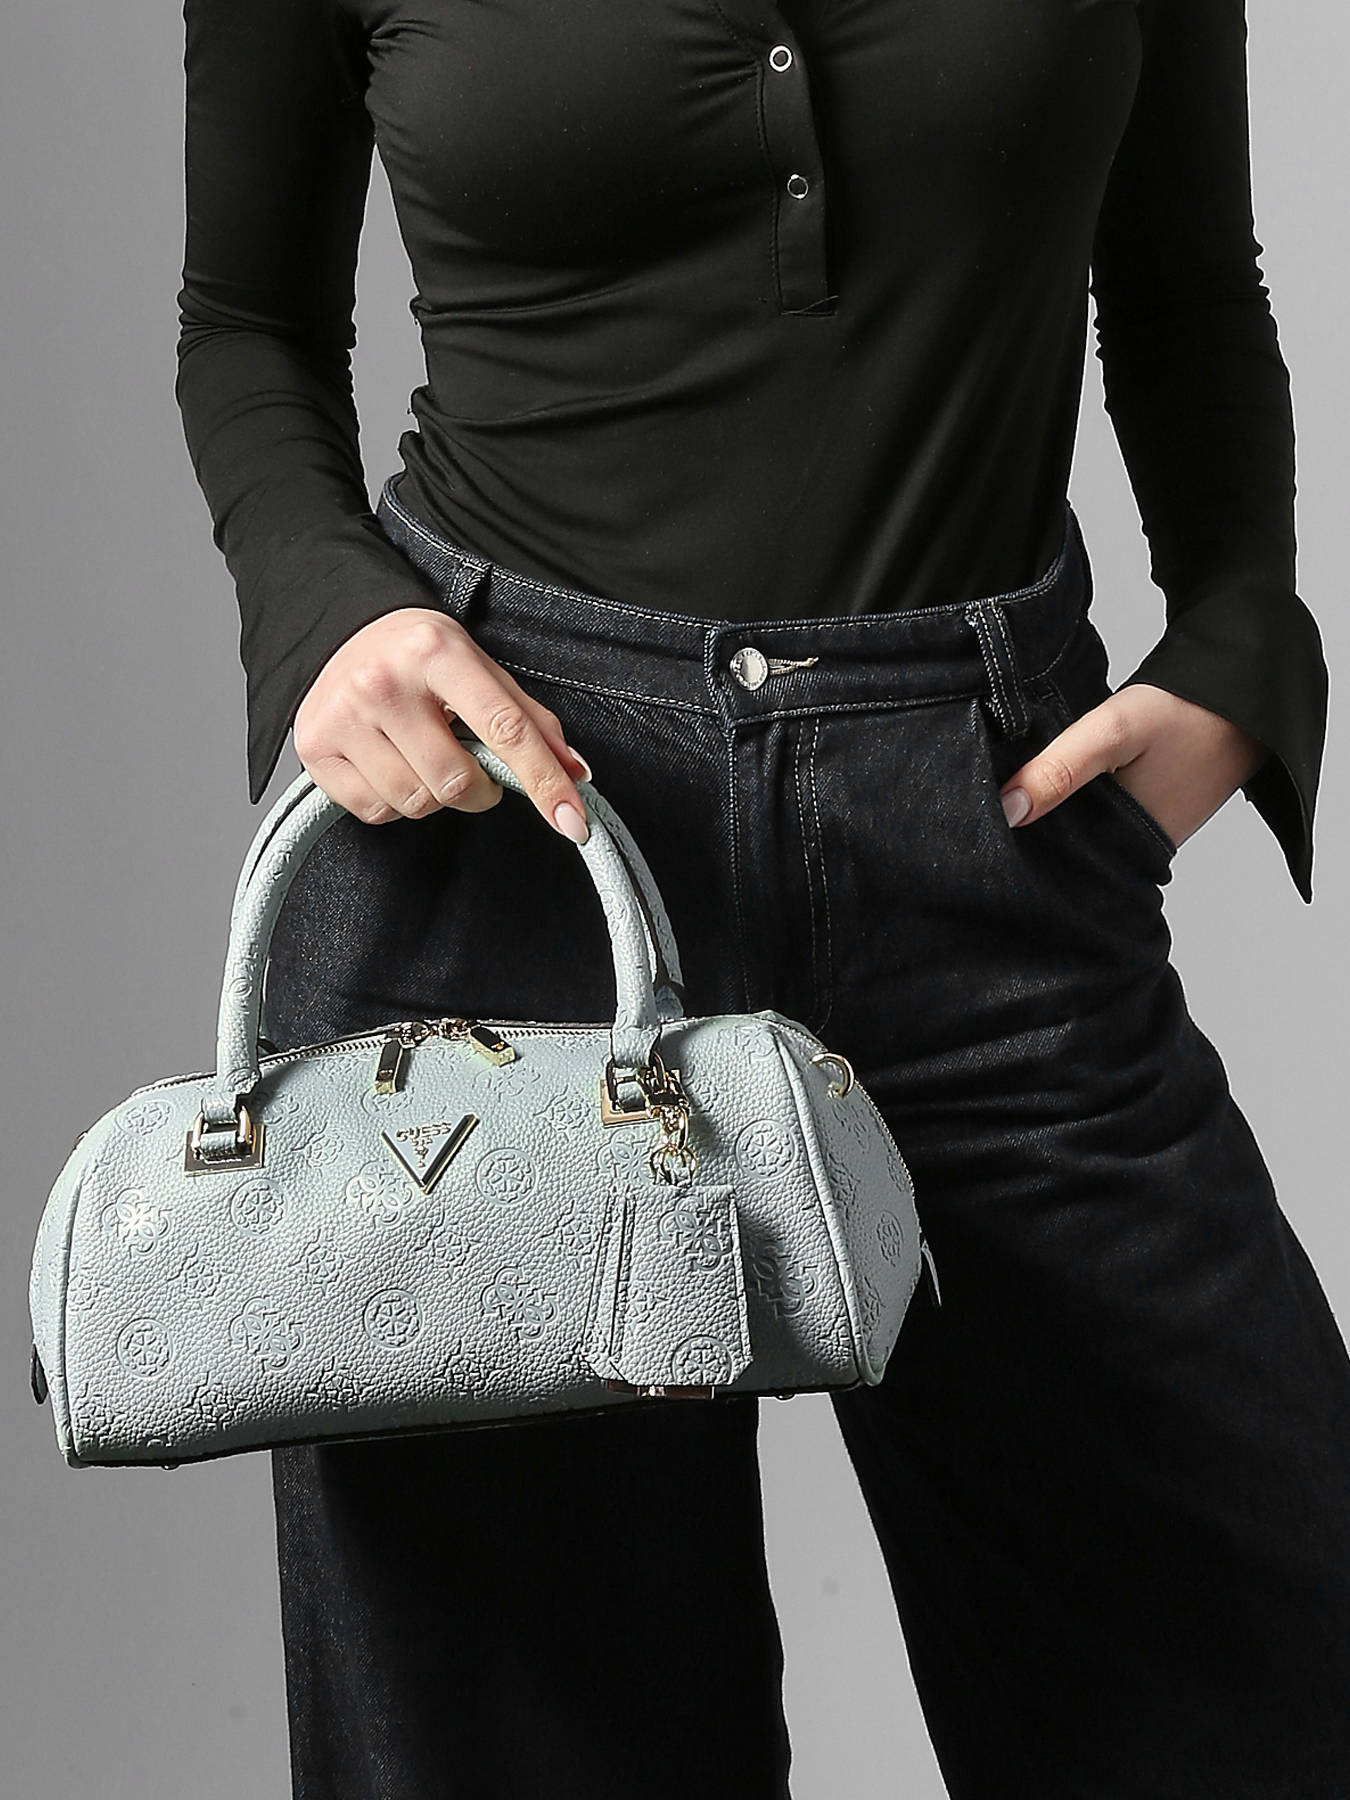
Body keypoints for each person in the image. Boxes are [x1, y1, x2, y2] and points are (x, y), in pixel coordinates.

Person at [174, 1, 1350, 1795]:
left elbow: (1187, 273)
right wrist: (328, 617)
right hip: (506, 865)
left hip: (989, 849)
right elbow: (244, 321)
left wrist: (1242, 635)